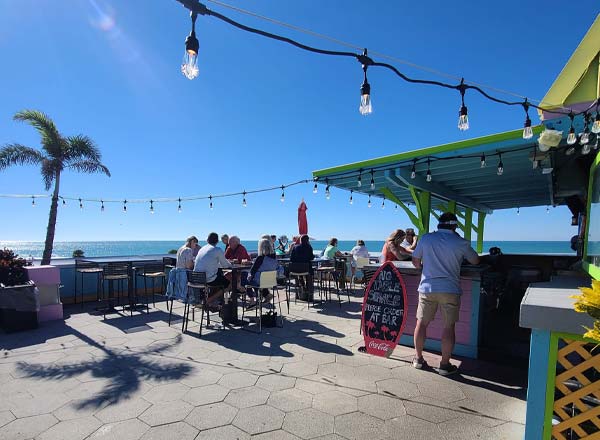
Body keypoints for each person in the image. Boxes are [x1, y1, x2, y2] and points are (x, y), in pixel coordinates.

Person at [411, 212, 479, 376]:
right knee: (448, 327)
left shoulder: (426, 238)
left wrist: (426, 267)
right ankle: (444, 364)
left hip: (427, 288)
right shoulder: (460, 242)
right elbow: (475, 260)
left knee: (421, 323)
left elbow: (415, 261)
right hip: (450, 289)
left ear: (439, 224)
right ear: (454, 226)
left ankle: (418, 360)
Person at [194, 232, 233, 306]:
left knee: (218, 276)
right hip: (208, 279)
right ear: (217, 241)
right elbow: (225, 265)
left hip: (196, 278)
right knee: (229, 283)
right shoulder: (217, 250)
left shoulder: (202, 249)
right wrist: (231, 264)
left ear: (207, 240)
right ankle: (209, 300)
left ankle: (213, 301)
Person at [246, 238, 279, 307]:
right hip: (271, 281)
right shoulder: (274, 258)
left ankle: (252, 300)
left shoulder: (260, 258)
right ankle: (266, 295)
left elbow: (252, 271)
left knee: (246, 279)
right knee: (257, 280)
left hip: (260, 282)